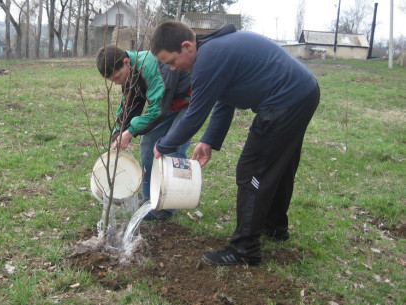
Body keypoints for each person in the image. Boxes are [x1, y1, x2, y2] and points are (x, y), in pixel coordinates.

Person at [150, 21, 320, 265]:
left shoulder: (208, 59)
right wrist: (209, 140)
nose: (173, 69)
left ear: (186, 46)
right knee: (278, 165)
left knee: (252, 170)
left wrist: (162, 146)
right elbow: (224, 100)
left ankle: (244, 250)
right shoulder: (213, 49)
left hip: (285, 100)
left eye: (171, 61)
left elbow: (193, 115)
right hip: (303, 91)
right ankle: (274, 227)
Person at [96, 44, 192, 220]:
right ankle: (149, 199)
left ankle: (168, 206)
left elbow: (157, 110)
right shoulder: (129, 74)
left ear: (126, 62)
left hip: (188, 101)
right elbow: (129, 105)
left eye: (117, 76)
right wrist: (119, 132)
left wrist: (130, 131)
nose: (117, 82)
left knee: (172, 148)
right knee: (148, 142)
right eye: (112, 80)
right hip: (168, 103)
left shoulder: (148, 66)